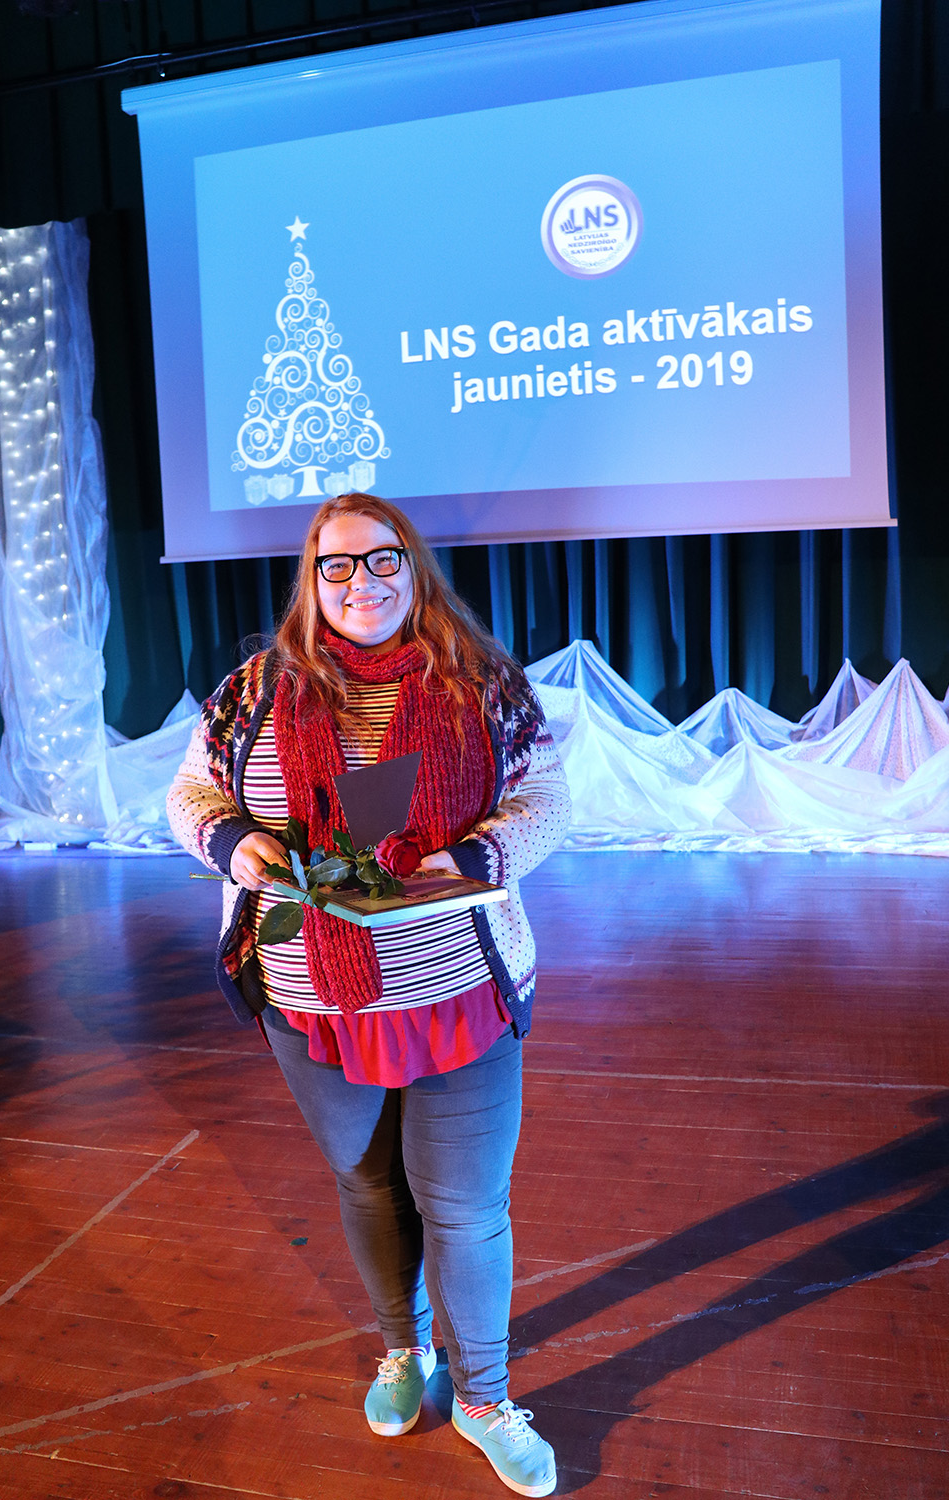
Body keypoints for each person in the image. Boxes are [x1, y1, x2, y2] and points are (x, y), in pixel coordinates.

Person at [167, 493, 570, 1497]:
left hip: (453, 988)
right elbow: (190, 791)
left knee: (465, 1208)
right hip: (314, 996)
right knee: (368, 1186)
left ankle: (484, 1398)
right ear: (311, 581)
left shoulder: (479, 680)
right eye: (337, 566)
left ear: (413, 566)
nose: (362, 583)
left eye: (382, 559)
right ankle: (406, 1349)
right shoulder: (253, 690)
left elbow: (546, 796)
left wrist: (473, 856)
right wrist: (232, 841)